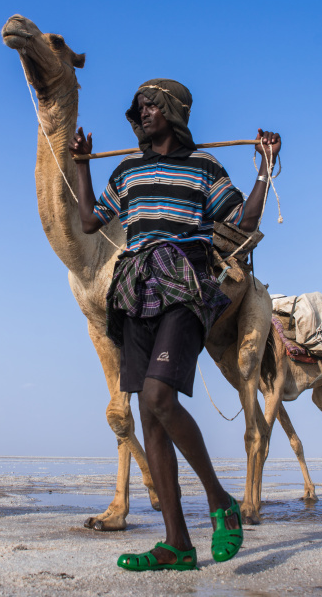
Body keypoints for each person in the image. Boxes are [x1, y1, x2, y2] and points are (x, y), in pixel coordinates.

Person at [68, 78, 281, 571]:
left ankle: (219, 500)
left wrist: (266, 170)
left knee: (161, 398)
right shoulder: (126, 171)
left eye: (151, 106)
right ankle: (177, 544)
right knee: (149, 417)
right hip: (136, 291)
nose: (142, 113)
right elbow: (87, 221)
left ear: (173, 113)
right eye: (139, 107)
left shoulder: (205, 167)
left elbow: (243, 222)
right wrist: (82, 167)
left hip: (185, 285)